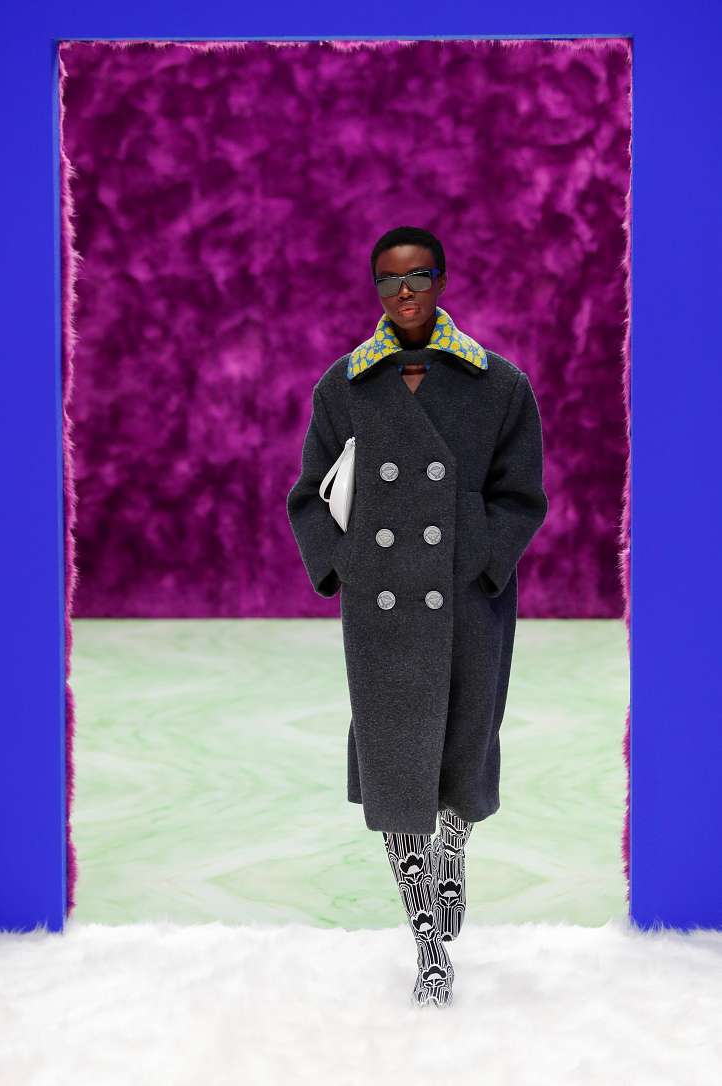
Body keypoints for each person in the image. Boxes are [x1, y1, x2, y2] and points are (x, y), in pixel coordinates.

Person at [287, 226, 549, 1007]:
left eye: (418, 276)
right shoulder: (345, 386)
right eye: (388, 280)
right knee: (396, 766)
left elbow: (521, 496)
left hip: (466, 600)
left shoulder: (497, 384)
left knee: (464, 743)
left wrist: (483, 561)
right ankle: (429, 949)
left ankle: (454, 849)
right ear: (375, 288)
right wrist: (346, 564)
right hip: (382, 607)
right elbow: (308, 497)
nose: (403, 293)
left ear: (441, 280)